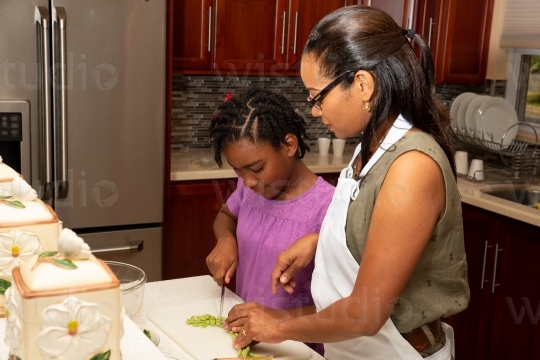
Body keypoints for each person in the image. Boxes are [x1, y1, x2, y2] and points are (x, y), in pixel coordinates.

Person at [224, 6, 470, 360]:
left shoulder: (412, 166)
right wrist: (320, 241)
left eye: (317, 96)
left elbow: (365, 314)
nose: (314, 110)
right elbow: (376, 231)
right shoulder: (368, 149)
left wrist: (277, 325)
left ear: (363, 84)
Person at [206, 87, 335, 354]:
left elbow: (343, 308)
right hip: (246, 340)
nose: (248, 181)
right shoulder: (251, 188)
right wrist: (225, 240)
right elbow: (225, 216)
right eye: (237, 170)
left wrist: (277, 321)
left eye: (256, 168)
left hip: (298, 350)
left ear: (289, 145)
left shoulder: (329, 207)